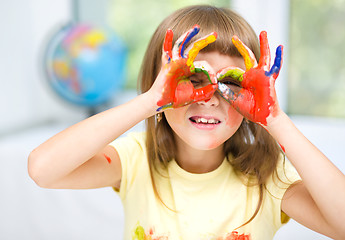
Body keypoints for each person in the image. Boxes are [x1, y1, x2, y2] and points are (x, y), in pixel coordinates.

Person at [28, 5, 345, 240]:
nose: (210, 98)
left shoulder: (266, 178)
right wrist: (151, 100)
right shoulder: (136, 160)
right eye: (193, 80)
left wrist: (275, 119)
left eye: (231, 85)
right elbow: (43, 169)